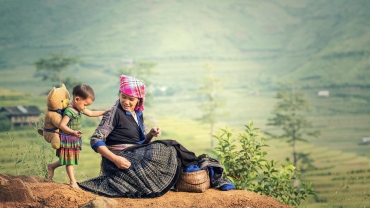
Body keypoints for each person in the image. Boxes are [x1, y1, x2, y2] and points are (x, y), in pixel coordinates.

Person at [78, 75, 234, 197]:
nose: (126, 102)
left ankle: (205, 172)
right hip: (119, 158)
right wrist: (116, 159)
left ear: (138, 100)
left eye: (131, 99)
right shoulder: (113, 112)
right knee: (168, 146)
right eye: (123, 97)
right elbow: (96, 139)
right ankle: (204, 170)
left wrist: (150, 135)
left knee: (169, 149)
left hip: (136, 153)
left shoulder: (138, 114)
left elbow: (140, 143)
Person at [47, 84, 111, 188]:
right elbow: (62, 125)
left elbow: (90, 113)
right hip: (68, 138)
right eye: (85, 104)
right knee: (69, 161)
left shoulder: (79, 109)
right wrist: (72, 132)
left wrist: (104, 112)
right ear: (77, 99)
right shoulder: (69, 111)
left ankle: (52, 166)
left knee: (69, 158)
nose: (85, 107)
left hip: (74, 138)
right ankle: (73, 181)